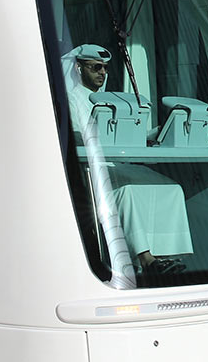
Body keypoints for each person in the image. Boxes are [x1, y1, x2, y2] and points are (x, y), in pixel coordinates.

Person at [63, 43, 192, 277]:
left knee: (170, 187)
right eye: (95, 67)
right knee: (130, 192)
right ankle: (148, 260)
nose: (102, 73)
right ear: (79, 69)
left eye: (104, 68)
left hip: (120, 163)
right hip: (93, 168)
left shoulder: (113, 100)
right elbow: (74, 137)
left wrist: (158, 133)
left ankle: (168, 256)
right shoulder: (71, 100)